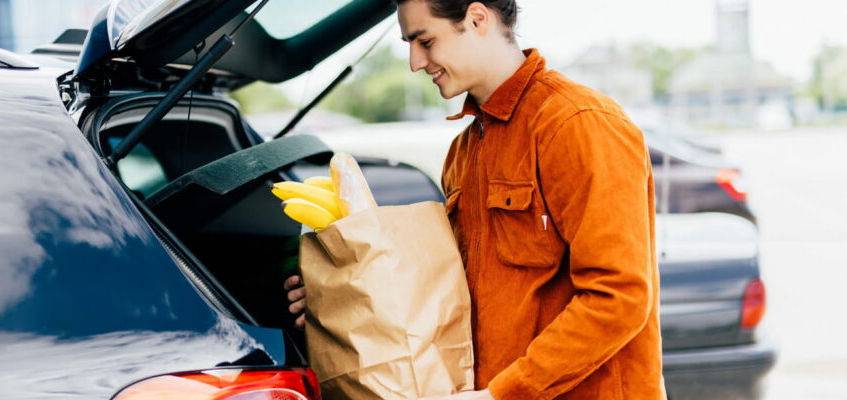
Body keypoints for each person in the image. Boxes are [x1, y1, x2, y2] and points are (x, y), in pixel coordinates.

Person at [285, 0, 665, 398]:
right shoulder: (463, 150)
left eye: (425, 41)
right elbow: (447, 290)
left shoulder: (577, 123)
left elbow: (619, 297)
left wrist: (502, 393)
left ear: (477, 19)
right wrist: (343, 294)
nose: (415, 62)